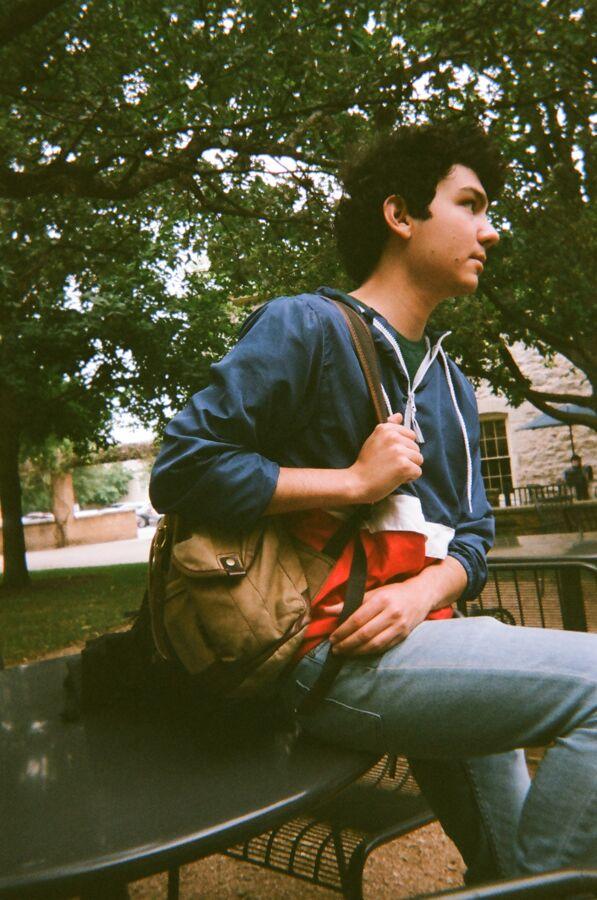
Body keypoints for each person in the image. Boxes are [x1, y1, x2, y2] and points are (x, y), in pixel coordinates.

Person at [150, 123, 597, 885]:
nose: (490, 230)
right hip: (321, 646)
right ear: (400, 214)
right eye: (470, 204)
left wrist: (427, 587)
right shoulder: (306, 326)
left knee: (505, 858)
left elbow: (474, 537)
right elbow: (184, 467)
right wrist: (353, 484)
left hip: (428, 639)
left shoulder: (449, 384)